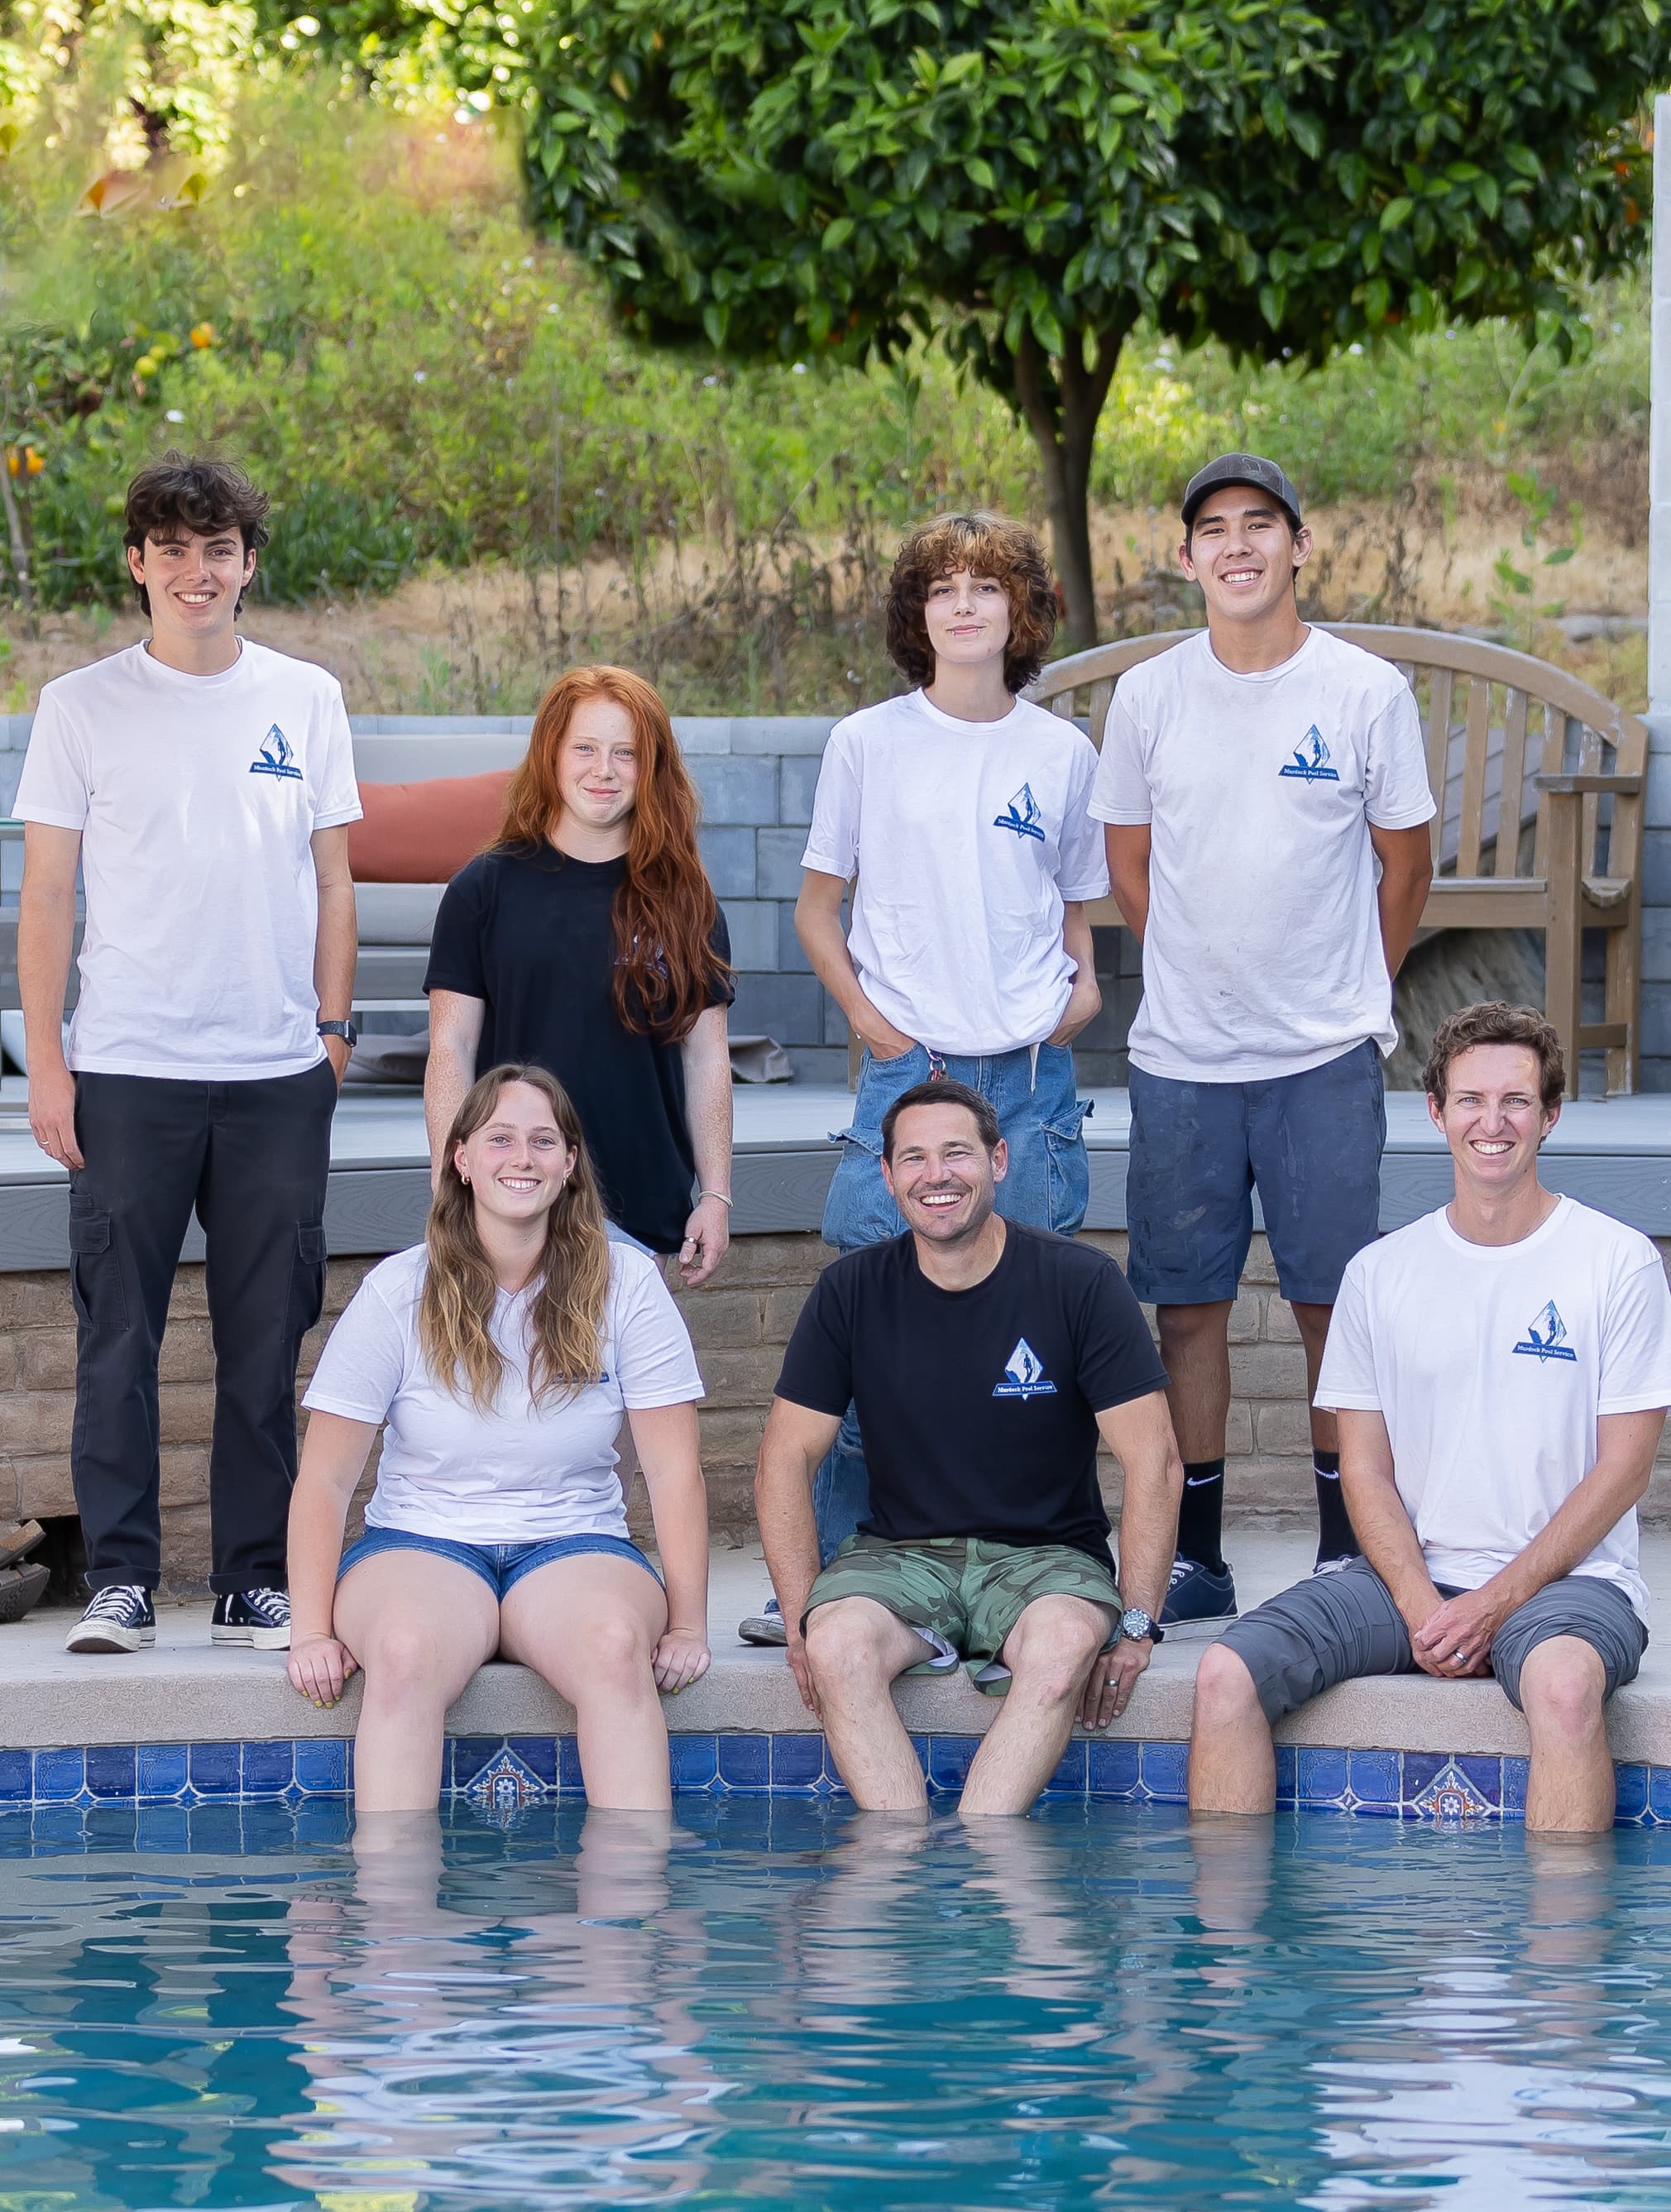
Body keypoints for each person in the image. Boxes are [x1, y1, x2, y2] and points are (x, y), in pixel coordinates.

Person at [14, 452, 360, 1654]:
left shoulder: (305, 696)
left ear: (248, 563)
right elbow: (48, 895)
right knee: (120, 1332)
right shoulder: (80, 707)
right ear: (137, 564)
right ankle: (119, 1579)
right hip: (126, 1069)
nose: (195, 571)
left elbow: (330, 877)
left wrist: (330, 1030)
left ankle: (250, 1579)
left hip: (274, 1077)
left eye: (217, 549)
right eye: (171, 549)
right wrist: (48, 1065)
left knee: (269, 1335)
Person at [744, 510, 1108, 1645]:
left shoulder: (1061, 756)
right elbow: (817, 909)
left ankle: (1028, 1590)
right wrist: (871, 1026)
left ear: (1022, 611)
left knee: (1033, 1354)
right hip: (906, 1080)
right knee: (874, 1351)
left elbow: (1080, 925)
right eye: (942, 587)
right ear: (917, 615)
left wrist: (1075, 1001)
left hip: (1027, 1086)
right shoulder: (869, 742)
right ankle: (839, 1582)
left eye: (987, 586)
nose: (964, 603)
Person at [1092, 452, 1436, 1625]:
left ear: (1299, 545)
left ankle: (1347, 1546)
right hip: (1184, 1060)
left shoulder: (1363, 690)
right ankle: (1198, 1551)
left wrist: (1351, 983)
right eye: (1214, 530)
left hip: (1323, 1057)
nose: (1237, 546)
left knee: (1331, 1307)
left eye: (1260, 525)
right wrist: (1201, 966)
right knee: (1185, 1309)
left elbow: (1407, 863)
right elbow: (1128, 865)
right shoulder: (1147, 698)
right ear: (1184, 557)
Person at [1189, 1003, 1671, 1836]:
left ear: (1549, 1116)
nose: (1492, 1122)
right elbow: (1362, 1469)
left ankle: (1559, 1963)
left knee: (1561, 1690)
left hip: (1570, 1585)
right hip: (1408, 1579)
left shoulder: (1615, 1261)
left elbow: (1624, 1466)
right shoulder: (1381, 1275)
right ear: (1435, 1111)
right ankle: (1233, 1960)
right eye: (1470, 1100)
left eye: (1516, 1101)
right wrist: (1421, 1606)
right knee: (1224, 1673)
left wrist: (1491, 1603)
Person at [285, 1065, 711, 1811]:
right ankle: (397, 1916)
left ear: (570, 1163)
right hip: (421, 1544)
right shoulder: (398, 1289)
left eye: (544, 1141)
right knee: (404, 1652)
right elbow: (324, 1478)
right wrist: (310, 1632)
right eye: (501, 1139)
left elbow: (674, 1470)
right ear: (461, 1158)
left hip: (574, 1544)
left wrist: (687, 1623)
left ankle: (626, 1916)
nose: (524, 1158)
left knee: (616, 1648)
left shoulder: (629, 1284)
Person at [755, 1079, 1181, 1816]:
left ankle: (987, 1871)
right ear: (886, 1178)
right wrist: (800, 1622)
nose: (937, 1175)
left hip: (1048, 1559)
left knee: (1059, 1651)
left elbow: (1156, 1462)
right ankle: (900, 1872)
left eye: (957, 1153)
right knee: (837, 1647)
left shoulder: (1080, 1283)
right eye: (913, 1158)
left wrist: (1138, 1622)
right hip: (898, 1556)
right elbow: (783, 1461)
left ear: (1000, 1160)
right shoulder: (850, 1290)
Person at [424, 666, 734, 1286]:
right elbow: (450, 1048)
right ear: (551, 756)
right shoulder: (482, 890)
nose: (604, 770)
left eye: (627, 753)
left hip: (640, 1215)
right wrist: (450, 1192)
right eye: (585, 749)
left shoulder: (685, 900)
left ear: (652, 769)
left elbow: (707, 1057)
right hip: (512, 1210)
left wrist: (717, 1195)